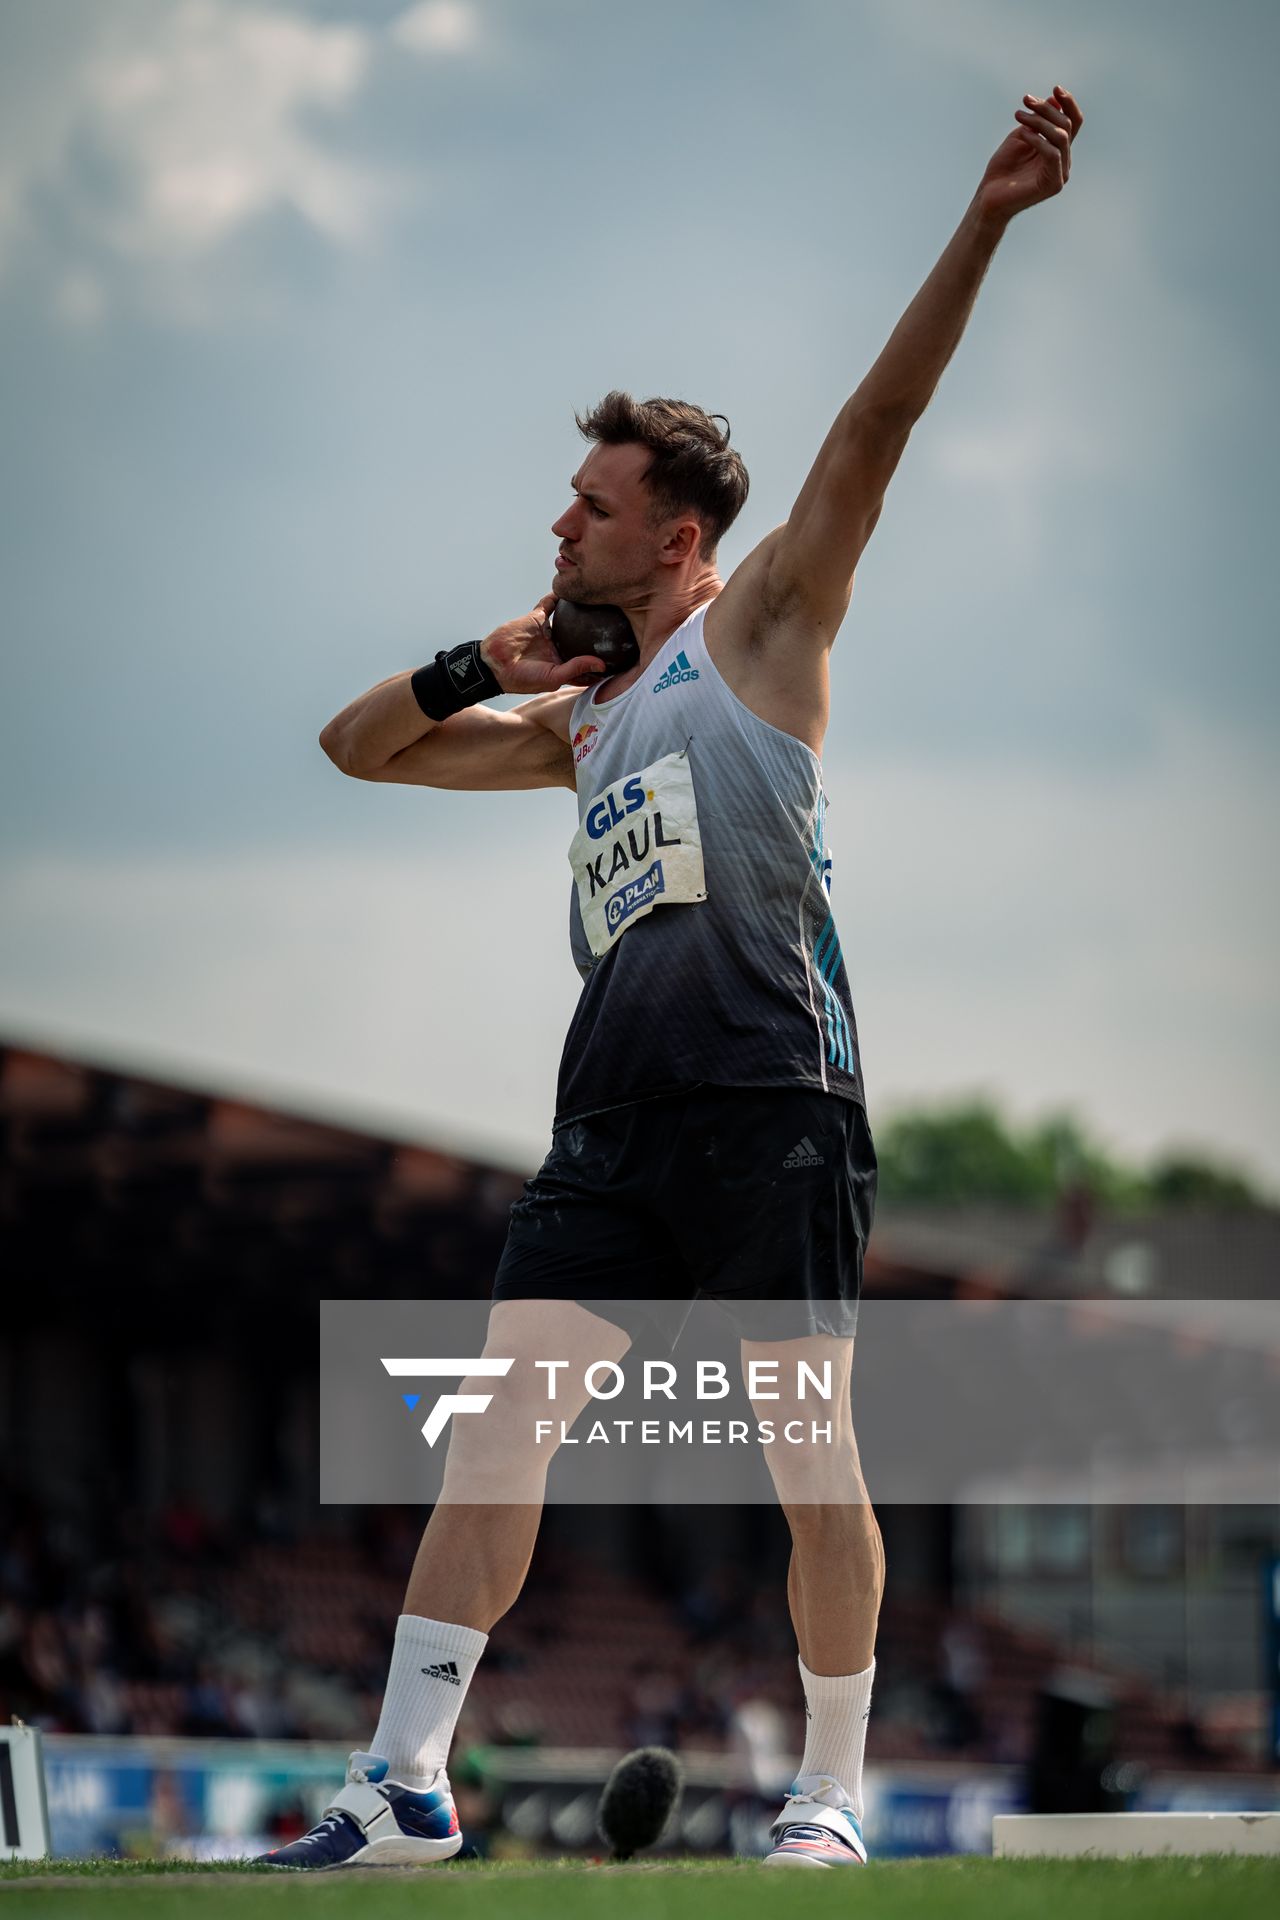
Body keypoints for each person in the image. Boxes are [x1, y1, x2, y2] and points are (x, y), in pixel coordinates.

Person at [257, 83, 1082, 1873]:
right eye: (564, 504)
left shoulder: (765, 625)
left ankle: (831, 1793)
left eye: (591, 507)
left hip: (775, 1102)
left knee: (806, 1455)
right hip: (612, 1121)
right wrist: (489, 653)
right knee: (497, 1434)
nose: (562, 525)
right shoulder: (585, 722)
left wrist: (990, 216)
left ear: (680, 539)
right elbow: (353, 750)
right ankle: (402, 1787)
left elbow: (884, 419)